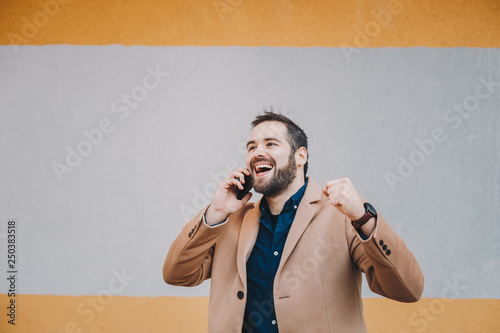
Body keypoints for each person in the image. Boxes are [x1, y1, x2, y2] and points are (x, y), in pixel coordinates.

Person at [163, 110, 424, 332]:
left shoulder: (344, 216)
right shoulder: (230, 221)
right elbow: (177, 274)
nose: (257, 152)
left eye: (270, 144)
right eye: (251, 146)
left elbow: (408, 289)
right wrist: (215, 212)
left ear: (301, 156)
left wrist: (363, 217)